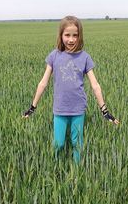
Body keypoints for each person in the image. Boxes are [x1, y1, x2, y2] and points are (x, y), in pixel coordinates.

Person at [23, 15, 119, 163]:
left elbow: (95, 85)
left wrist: (105, 111)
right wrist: (32, 107)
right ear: (61, 35)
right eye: (67, 35)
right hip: (60, 109)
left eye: (75, 35)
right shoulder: (54, 56)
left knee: (77, 144)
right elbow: (43, 83)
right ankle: (54, 168)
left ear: (80, 36)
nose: (71, 39)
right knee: (58, 144)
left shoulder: (85, 57)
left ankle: (76, 174)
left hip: (78, 109)